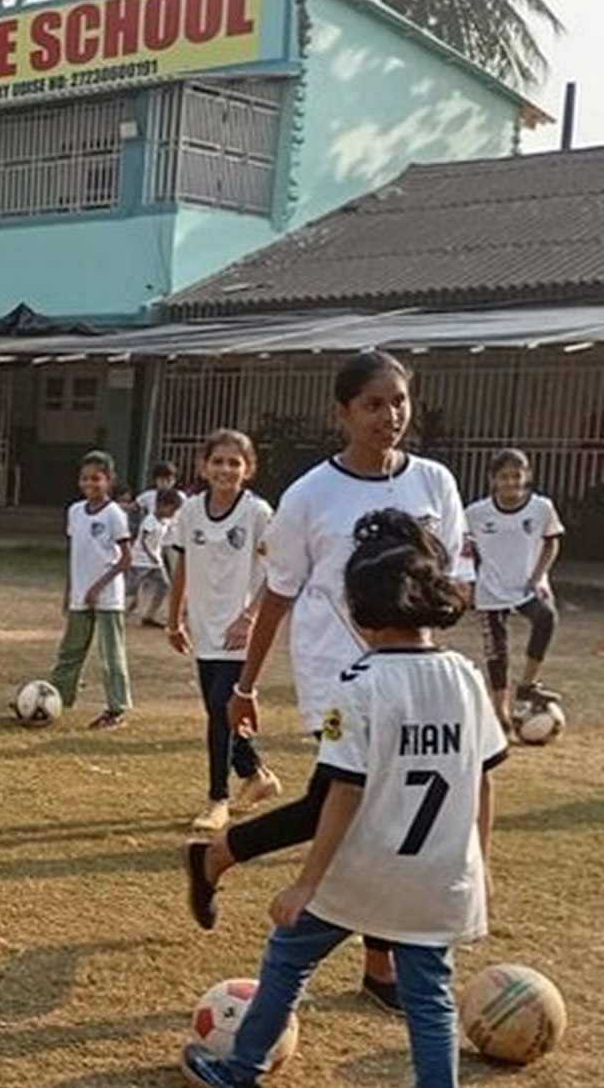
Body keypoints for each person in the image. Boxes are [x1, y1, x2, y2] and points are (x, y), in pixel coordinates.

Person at [184, 351, 470, 1012]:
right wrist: (244, 687)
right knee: (355, 806)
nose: (389, 416)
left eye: (398, 401)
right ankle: (376, 965)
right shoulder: (311, 495)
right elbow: (278, 596)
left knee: (357, 811)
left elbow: (444, 584)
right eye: (373, 404)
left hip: (411, 675)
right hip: (336, 676)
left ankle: (217, 859)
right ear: (343, 412)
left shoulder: (436, 483)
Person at [181, 508, 504, 1088]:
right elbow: (483, 779)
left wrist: (306, 882)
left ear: (358, 613)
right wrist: (480, 863)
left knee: (287, 960)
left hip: (364, 873)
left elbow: (342, 795)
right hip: (439, 879)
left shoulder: (355, 689)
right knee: (430, 999)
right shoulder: (466, 678)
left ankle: (241, 1067)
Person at [166, 429, 281, 832]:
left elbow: (277, 575)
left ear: (248, 470)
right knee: (220, 710)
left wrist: (249, 618)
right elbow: (183, 566)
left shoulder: (258, 513)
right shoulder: (191, 511)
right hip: (204, 627)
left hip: (239, 633)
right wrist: (173, 619)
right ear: (203, 466)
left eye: (235, 462)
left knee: (219, 711)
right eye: (218, 461)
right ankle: (256, 775)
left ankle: (218, 799)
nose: (225, 469)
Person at [466, 448, 563, 733]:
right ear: (492, 479)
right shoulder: (476, 513)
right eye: (504, 477)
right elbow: (463, 547)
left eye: (516, 475)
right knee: (497, 651)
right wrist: (468, 582)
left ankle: (528, 684)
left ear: (527, 476)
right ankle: (501, 709)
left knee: (546, 617)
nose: (511, 482)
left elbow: (551, 542)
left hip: (526, 585)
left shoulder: (541, 508)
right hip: (491, 588)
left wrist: (538, 576)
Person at [47, 450, 134, 730]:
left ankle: (116, 708)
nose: (89, 484)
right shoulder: (75, 511)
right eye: (85, 479)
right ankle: (58, 696)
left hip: (107, 598)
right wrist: (70, 590)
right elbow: (76, 554)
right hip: (80, 595)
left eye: (96, 479)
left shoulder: (114, 514)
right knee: (70, 650)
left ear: (108, 480)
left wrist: (99, 587)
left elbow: (125, 559)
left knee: (111, 654)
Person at [129, 487, 182, 628]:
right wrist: (150, 555)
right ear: (163, 506)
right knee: (131, 588)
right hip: (141, 561)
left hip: (155, 562)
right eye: (172, 509)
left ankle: (149, 615)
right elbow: (143, 540)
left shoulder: (164, 521)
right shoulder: (150, 521)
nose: (173, 513)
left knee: (164, 586)